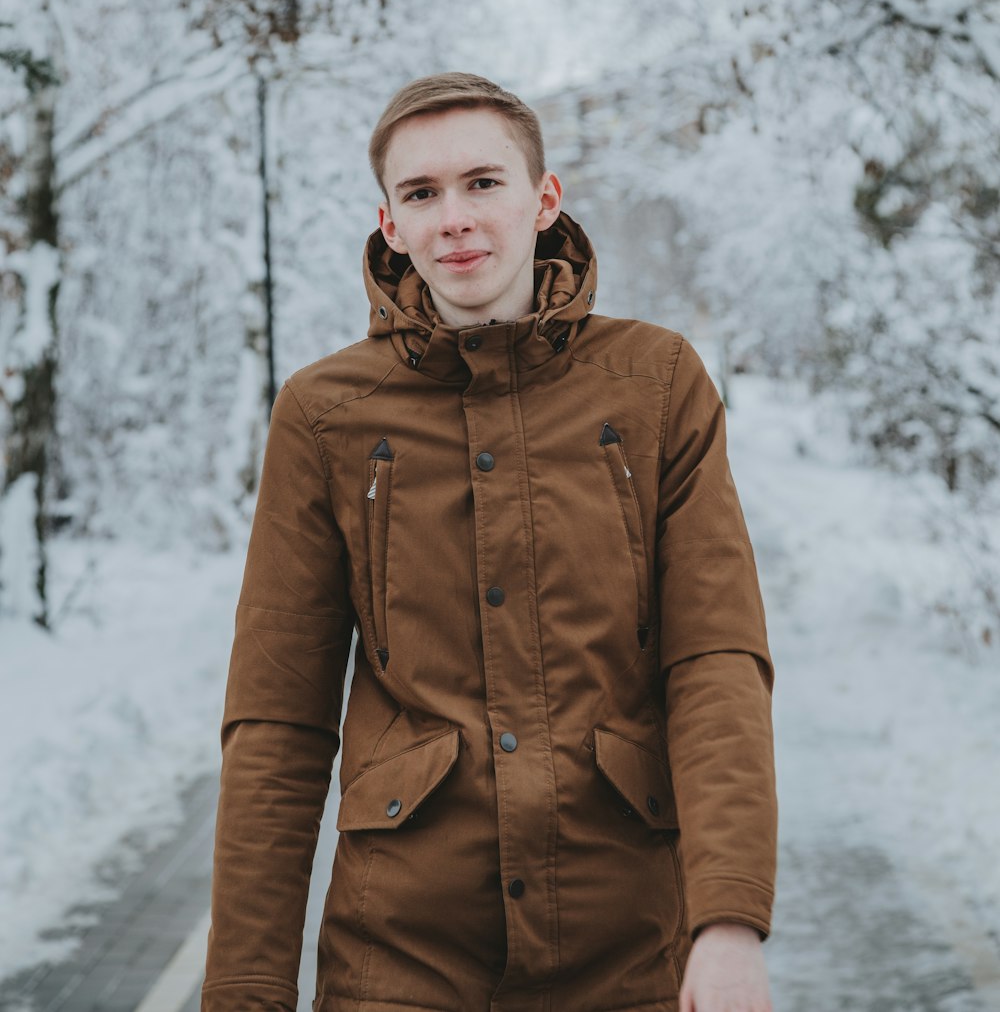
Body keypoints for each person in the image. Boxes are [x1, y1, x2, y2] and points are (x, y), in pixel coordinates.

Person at [201, 71, 778, 1012]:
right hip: (398, 962)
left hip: (631, 950)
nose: (455, 218)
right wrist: (244, 989)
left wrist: (726, 922)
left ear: (544, 200)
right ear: (390, 223)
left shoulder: (657, 384)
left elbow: (714, 660)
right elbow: (278, 718)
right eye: (421, 195)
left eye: (483, 183)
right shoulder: (324, 415)